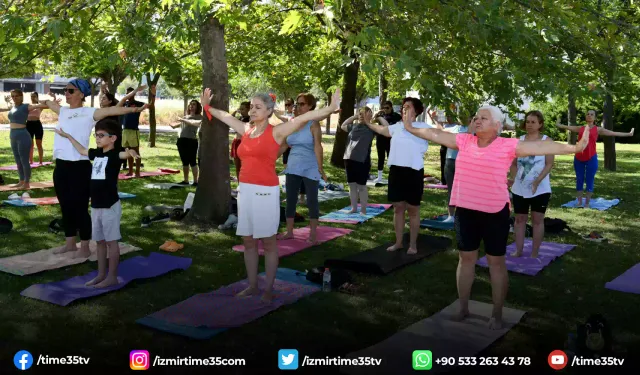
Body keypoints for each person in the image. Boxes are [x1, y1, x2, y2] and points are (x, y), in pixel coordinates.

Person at [402, 105, 589, 330]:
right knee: (466, 260)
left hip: (494, 214)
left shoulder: (508, 145)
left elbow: (542, 145)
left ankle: (497, 314)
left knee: (496, 263)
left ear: (497, 126)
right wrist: (409, 127)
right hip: (466, 212)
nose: (477, 120)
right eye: (476, 116)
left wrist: (575, 147)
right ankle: (463, 308)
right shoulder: (464, 141)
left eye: (484, 117)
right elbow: (435, 134)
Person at [200, 87, 341, 302]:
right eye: (252, 106)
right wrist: (207, 106)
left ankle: (268, 289)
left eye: (258, 107)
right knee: (248, 241)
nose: (253, 110)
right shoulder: (245, 129)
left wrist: (330, 108)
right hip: (245, 191)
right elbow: (226, 116)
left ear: (269, 111)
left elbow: (305, 118)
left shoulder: (276, 131)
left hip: (265, 191)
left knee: (268, 242)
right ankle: (253, 286)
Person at [41, 78, 149, 257]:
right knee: (65, 205)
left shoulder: (89, 112)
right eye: (65, 90)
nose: (66, 94)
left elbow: (113, 109)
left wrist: (134, 109)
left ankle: (84, 246)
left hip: (79, 167)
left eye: (70, 91)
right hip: (60, 165)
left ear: (81, 94)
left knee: (80, 207)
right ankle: (70, 243)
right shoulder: (63, 111)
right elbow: (48, 103)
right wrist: (43, 101)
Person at [54, 119, 139, 288]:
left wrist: (131, 151)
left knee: (111, 242)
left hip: (110, 206)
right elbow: (81, 149)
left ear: (113, 138)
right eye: (96, 135)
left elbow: (125, 153)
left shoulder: (115, 155)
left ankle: (112, 276)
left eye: (101, 135)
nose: (97, 138)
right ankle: (101, 274)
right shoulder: (97, 154)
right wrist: (68, 136)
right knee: (99, 242)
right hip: (96, 206)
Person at [364, 97, 433, 255]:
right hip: (396, 171)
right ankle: (399, 242)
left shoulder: (423, 126)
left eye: (408, 107)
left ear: (416, 111)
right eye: (403, 107)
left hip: (414, 172)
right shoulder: (397, 127)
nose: (404, 109)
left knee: (413, 210)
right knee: (398, 208)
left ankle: (413, 245)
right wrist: (368, 122)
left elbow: (440, 135)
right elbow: (382, 130)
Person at [557, 110, 634, 208]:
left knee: (589, 179)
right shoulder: (580, 128)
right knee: (579, 179)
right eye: (588, 114)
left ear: (595, 118)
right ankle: (579, 202)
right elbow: (565, 127)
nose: (589, 116)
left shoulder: (598, 129)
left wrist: (629, 134)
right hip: (578, 158)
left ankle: (587, 203)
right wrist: (558, 123)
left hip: (591, 157)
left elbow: (613, 133)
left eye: (591, 114)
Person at [278, 93, 327, 244]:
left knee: (312, 200)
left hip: (310, 165)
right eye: (297, 104)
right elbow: (284, 145)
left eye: (302, 104)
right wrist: (269, 159)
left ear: (310, 106)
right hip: (293, 165)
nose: (298, 107)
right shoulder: (292, 124)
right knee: (291, 199)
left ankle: (312, 234)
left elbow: (318, 146)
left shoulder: (313, 124)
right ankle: (290, 231)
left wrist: (320, 168)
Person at [509, 111, 553, 258]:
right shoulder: (518, 141)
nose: (529, 125)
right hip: (519, 188)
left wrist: (537, 181)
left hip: (540, 189)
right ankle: (519, 250)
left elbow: (549, 164)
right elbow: (513, 163)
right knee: (519, 219)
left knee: (537, 220)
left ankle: (535, 252)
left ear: (540, 124)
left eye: (533, 122)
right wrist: (515, 179)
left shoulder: (547, 141)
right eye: (528, 122)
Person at [0, 89, 48, 189]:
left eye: (16, 96)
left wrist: (48, 102)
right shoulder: (13, 107)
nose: (14, 98)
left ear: (21, 96)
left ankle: (26, 183)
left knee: (24, 160)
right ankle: (21, 181)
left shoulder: (26, 106)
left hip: (23, 135)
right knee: (18, 160)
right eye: (12, 96)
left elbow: (39, 106)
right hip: (13, 135)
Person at [341, 106, 377, 214]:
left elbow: (387, 127)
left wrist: (378, 118)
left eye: (365, 113)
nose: (362, 116)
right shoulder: (354, 127)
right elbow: (343, 125)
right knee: (352, 185)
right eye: (360, 114)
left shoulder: (372, 128)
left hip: (362, 161)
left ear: (370, 115)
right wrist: (354, 116)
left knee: (361, 186)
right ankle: (353, 208)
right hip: (349, 159)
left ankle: (363, 210)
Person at [169, 100, 202, 186]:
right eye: (190, 104)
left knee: (193, 161)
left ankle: (195, 181)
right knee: (185, 161)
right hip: (181, 140)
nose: (191, 106)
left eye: (194, 104)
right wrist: (172, 125)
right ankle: (186, 180)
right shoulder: (185, 117)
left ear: (198, 107)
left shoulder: (199, 117)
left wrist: (182, 120)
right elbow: (180, 124)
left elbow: (191, 123)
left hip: (191, 141)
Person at [442, 117, 469, 223]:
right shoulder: (454, 128)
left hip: (464, 162)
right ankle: (451, 216)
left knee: (464, 190)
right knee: (451, 189)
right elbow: (439, 130)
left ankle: (462, 215)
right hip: (450, 161)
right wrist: (434, 118)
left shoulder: (473, 130)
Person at [373, 101, 402, 182]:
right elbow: (373, 120)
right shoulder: (381, 115)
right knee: (380, 157)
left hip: (390, 140)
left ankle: (392, 176)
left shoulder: (396, 116)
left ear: (391, 107)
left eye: (387, 108)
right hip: (380, 139)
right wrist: (377, 113)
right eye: (384, 108)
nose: (385, 109)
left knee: (391, 158)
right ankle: (379, 177)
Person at [121, 87, 146, 177]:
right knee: (128, 152)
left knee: (136, 152)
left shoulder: (138, 104)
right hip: (125, 130)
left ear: (134, 94)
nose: (128, 95)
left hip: (133, 131)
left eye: (130, 93)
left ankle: (137, 172)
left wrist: (153, 94)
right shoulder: (125, 103)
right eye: (127, 93)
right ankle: (130, 171)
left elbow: (150, 105)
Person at [230, 101, 251, 180]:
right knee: (237, 167)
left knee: (244, 167)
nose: (241, 111)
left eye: (243, 109)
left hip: (244, 143)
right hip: (236, 142)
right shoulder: (240, 118)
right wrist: (235, 111)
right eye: (240, 109)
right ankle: (239, 185)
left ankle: (245, 183)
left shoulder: (250, 119)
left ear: (248, 109)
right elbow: (230, 118)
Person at [26, 92, 48, 165]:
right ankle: (30, 161)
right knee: (30, 144)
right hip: (28, 124)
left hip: (37, 124)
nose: (32, 98)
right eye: (31, 96)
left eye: (34, 96)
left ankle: (41, 161)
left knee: (39, 144)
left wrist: (38, 101)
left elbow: (47, 105)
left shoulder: (40, 106)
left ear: (37, 97)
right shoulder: (28, 105)